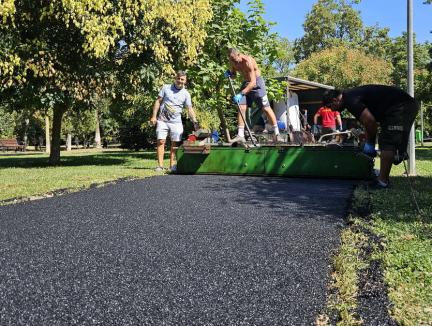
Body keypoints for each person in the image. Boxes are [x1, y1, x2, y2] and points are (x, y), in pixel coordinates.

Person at [322, 85, 419, 189]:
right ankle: (399, 153)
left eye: (330, 106)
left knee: (387, 142)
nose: (332, 110)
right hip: (399, 107)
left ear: (335, 100)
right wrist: (368, 140)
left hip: (402, 106)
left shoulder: (350, 100)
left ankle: (382, 182)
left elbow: (370, 122)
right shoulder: (351, 96)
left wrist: (370, 145)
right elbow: (367, 123)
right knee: (388, 140)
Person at [224, 48, 281, 143]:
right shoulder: (233, 62)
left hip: (257, 83)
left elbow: (253, 82)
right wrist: (230, 74)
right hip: (246, 83)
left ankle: (277, 133)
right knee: (241, 107)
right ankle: (240, 135)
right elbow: (234, 75)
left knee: (265, 108)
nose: (234, 62)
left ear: (238, 54)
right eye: (231, 60)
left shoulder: (248, 61)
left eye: (234, 59)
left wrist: (241, 94)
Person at [150, 70, 199, 172]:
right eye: (178, 79)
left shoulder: (186, 94)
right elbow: (158, 101)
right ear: (175, 78)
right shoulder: (166, 88)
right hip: (162, 120)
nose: (180, 81)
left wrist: (195, 121)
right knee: (161, 141)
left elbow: (189, 109)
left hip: (176, 122)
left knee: (174, 143)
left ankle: (172, 165)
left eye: (182, 80)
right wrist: (154, 116)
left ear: (185, 81)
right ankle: (160, 165)